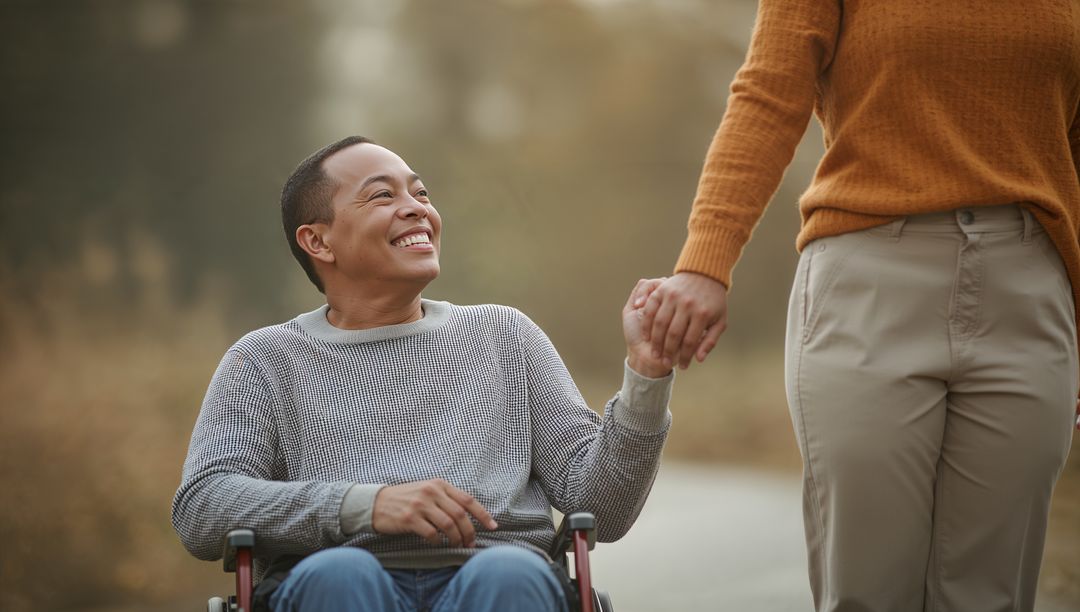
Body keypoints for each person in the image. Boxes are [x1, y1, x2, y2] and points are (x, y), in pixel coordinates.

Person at [638, 2, 1080, 611]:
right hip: (870, 282)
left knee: (992, 597)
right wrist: (704, 262)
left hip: (1029, 291)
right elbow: (769, 93)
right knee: (869, 594)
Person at [171, 136, 674, 612]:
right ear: (318, 241)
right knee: (340, 575)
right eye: (382, 196)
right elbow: (202, 508)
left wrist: (646, 377)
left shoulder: (505, 336)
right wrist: (362, 506)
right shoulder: (264, 360)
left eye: (421, 193)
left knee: (507, 574)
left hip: (498, 576)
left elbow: (600, 509)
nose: (417, 208)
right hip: (330, 581)